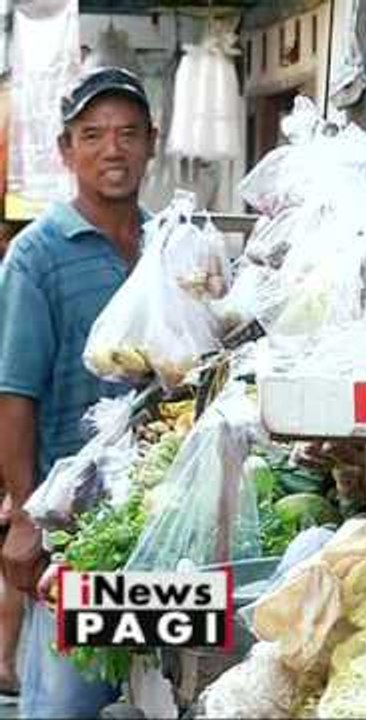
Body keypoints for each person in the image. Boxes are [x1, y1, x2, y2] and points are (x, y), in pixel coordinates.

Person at [0, 66, 156, 718]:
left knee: (161, 694)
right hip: (77, 532)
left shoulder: (168, 244)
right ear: (67, 151)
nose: (111, 150)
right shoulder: (36, 254)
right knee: (67, 702)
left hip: (160, 522)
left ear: (153, 140)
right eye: (92, 135)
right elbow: (13, 395)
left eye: (126, 134)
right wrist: (26, 516)